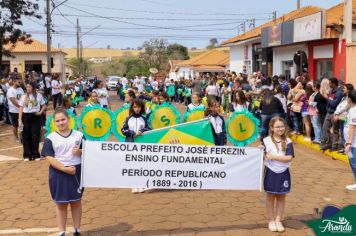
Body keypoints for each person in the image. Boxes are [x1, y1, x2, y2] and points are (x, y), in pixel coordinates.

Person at [41, 108, 84, 236]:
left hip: (76, 171)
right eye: (58, 121)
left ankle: (77, 229)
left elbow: (90, 152)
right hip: (59, 173)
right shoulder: (51, 138)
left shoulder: (79, 135)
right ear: (54, 122)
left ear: (69, 119)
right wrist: (64, 169)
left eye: (63, 119)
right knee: (61, 204)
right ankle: (62, 231)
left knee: (76, 202)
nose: (61, 123)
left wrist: (80, 152)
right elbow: (49, 157)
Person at [262, 116, 295, 232]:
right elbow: (262, 157)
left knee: (281, 197)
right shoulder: (266, 141)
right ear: (271, 128)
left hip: (283, 172)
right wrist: (260, 150)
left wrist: (274, 157)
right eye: (277, 127)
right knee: (270, 197)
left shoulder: (288, 141)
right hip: (270, 172)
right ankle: (271, 220)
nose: (280, 129)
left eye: (282, 126)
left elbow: (289, 158)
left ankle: (278, 220)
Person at [121, 99, 150, 193]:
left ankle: (142, 184)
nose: (137, 109)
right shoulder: (128, 118)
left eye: (138, 107)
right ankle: (134, 185)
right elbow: (123, 130)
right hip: (130, 143)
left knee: (142, 164)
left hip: (142, 144)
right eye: (135, 107)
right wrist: (132, 133)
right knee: (132, 164)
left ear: (141, 108)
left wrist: (142, 131)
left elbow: (149, 128)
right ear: (132, 108)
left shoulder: (144, 118)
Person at [18, 82, 46, 161]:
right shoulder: (23, 96)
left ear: (33, 88)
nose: (27, 88)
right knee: (26, 136)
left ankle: (36, 154)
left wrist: (40, 112)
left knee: (35, 136)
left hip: (35, 117)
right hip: (26, 117)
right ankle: (27, 155)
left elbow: (44, 105)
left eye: (29, 87)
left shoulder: (39, 95)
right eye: (27, 87)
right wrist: (20, 120)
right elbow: (20, 108)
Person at [321, 78, 344, 151]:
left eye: (330, 83)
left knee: (335, 130)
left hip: (334, 113)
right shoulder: (331, 91)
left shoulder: (339, 93)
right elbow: (330, 101)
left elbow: (334, 103)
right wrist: (327, 97)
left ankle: (335, 145)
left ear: (334, 83)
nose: (329, 84)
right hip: (329, 112)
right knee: (325, 127)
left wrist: (326, 98)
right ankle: (328, 143)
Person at [334, 84, 354, 153]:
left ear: (348, 90)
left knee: (347, 132)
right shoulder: (344, 97)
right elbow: (340, 106)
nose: (343, 89)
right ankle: (344, 147)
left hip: (346, 117)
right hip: (343, 117)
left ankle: (347, 148)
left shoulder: (350, 98)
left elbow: (345, 107)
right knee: (343, 132)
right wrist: (336, 113)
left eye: (344, 88)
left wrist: (336, 112)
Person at [344, 90, 356, 190]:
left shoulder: (354, 110)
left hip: (354, 143)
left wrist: (349, 142)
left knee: (353, 163)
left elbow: (352, 127)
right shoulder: (352, 109)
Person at [7, 77, 24, 142]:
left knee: (22, 124)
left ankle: (22, 136)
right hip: (14, 111)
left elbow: (23, 98)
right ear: (14, 82)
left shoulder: (20, 89)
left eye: (20, 82)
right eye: (18, 82)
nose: (20, 83)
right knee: (15, 125)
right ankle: (16, 137)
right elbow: (14, 102)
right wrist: (22, 107)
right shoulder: (10, 90)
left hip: (21, 110)